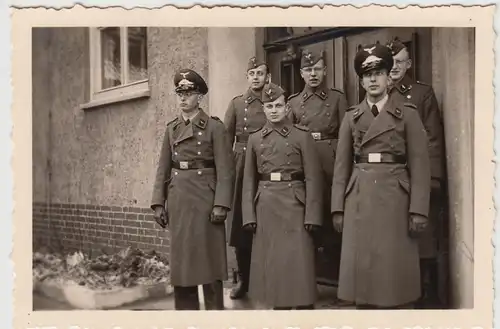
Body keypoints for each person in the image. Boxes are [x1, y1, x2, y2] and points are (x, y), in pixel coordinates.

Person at [331, 44, 431, 309]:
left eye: (378, 73)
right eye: (367, 75)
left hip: (395, 198)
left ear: (389, 77)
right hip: (359, 197)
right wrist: (337, 208)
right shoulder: (352, 117)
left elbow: (421, 164)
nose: (373, 80)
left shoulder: (408, 114)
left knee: (393, 272)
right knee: (363, 275)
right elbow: (341, 166)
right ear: (361, 81)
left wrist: (419, 209)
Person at [150, 68, 235, 310]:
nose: (183, 98)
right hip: (179, 201)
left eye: (189, 93)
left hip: (206, 201)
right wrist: (158, 202)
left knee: (209, 263)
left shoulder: (214, 128)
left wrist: (221, 204)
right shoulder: (172, 128)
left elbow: (225, 171)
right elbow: (163, 168)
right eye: (180, 93)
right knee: (183, 264)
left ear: (199, 96)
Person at [241, 82, 323, 310]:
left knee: (298, 265)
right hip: (266, 206)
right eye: (269, 106)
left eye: (278, 105)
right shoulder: (255, 139)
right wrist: (248, 215)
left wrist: (313, 215)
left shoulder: (301, 136)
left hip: (295, 205)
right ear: (264, 109)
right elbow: (248, 180)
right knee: (274, 269)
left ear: (287, 107)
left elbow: (313, 178)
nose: (274, 110)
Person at [386, 38, 446, 308]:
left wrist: (432, 178)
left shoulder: (422, 94)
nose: (395, 67)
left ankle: (426, 294)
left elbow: (433, 138)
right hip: (390, 179)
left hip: (418, 176)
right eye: (391, 62)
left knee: (423, 236)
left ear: (409, 64)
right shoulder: (378, 94)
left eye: (400, 61)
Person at [287, 49, 348, 287]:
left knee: (334, 221)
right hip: (305, 166)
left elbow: (346, 135)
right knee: (307, 221)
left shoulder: (337, 98)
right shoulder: (293, 102)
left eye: (317, 69)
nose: (313, 74)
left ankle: (339, 282)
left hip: (332, 166)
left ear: (325, 71)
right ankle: (306, 282)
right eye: (308, 70)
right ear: (302, 73)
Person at [223, 56, 270, 300]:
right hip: (241, 168)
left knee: (267, 221)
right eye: (252, 73)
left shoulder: (274, 102)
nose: (256, 77)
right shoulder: (237, 104)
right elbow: (225, 142)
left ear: (267, 76)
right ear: (247, 76)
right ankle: (243, 278)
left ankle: (267, 278)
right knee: (241, 224)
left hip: (266, 165)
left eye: (260, 73)